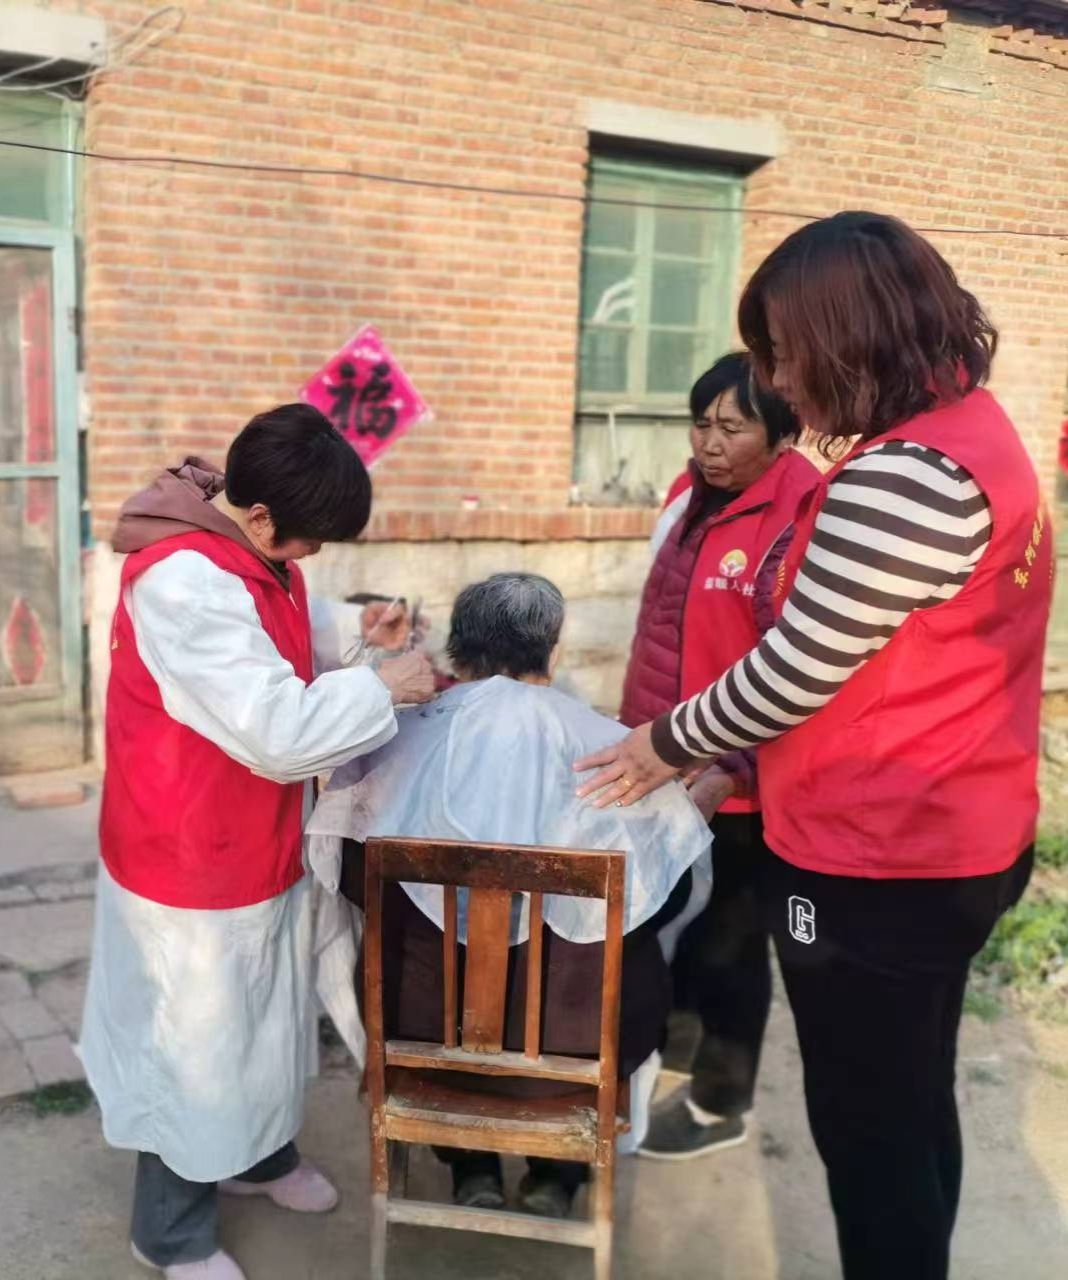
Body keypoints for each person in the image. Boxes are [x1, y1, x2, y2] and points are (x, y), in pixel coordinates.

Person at [577, 212, 1042, 1280]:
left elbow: (793, 670)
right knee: (911, 1101)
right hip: (956, 829)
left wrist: (662, 745)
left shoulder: (906, 474)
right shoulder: (972, 430)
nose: (779, 380)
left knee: (868, 1134)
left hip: (877, 858)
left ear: (843, 339)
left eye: (783, 355)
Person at [78, 405, 437, 1280]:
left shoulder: (257, 555)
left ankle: (257, 1156)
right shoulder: (183, 580)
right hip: (188, 852)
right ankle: (170, 1232)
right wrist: (384, 688)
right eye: (309, 539)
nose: (313, 555)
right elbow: (275, 727)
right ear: (263, 515)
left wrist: (360, 637)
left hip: (257, 836)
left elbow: (281, 656)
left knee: (267, 1022)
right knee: (195, 1045)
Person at [307, 572, 712, 1216]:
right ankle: (557, 1176)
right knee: (633, 950)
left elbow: (347, 876)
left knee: (401, 943)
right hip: (576, 1060)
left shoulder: (390, 744)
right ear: (554, 649)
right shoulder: (618, 753)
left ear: (455, 651)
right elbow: (670, 892)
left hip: (421, 1050)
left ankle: (470, 1167)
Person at [617, 353, 819, 1160]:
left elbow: (798, 672)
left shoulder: (801, 515)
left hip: (740, 779)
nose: (708, 443)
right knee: (667, 916)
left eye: (732, 428)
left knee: (732, 942)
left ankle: (720, 1104)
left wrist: (732, 766)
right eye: (701, 424)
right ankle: (678, 1046)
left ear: (782, 434)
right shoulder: (691, 495)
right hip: (662, 759)